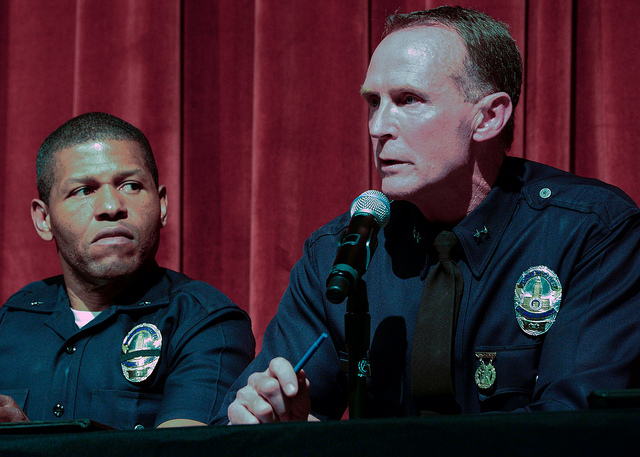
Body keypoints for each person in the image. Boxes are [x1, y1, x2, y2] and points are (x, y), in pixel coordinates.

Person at [221, 6, 640, 424]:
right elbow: (259, 415)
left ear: (489, 117)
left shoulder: (590, 232)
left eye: (408, 100)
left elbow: (572, 430)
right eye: (373, 102)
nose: (378, 126)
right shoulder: (342, 252)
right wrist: (273, 424)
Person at [0, 112, 255, 429]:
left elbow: (179, 456)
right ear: (43, 219)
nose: (111, 206)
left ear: (161, 205)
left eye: (131, 186)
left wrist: (25, 443)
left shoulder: (205, 322)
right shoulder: (12, 320)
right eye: (83, 190)